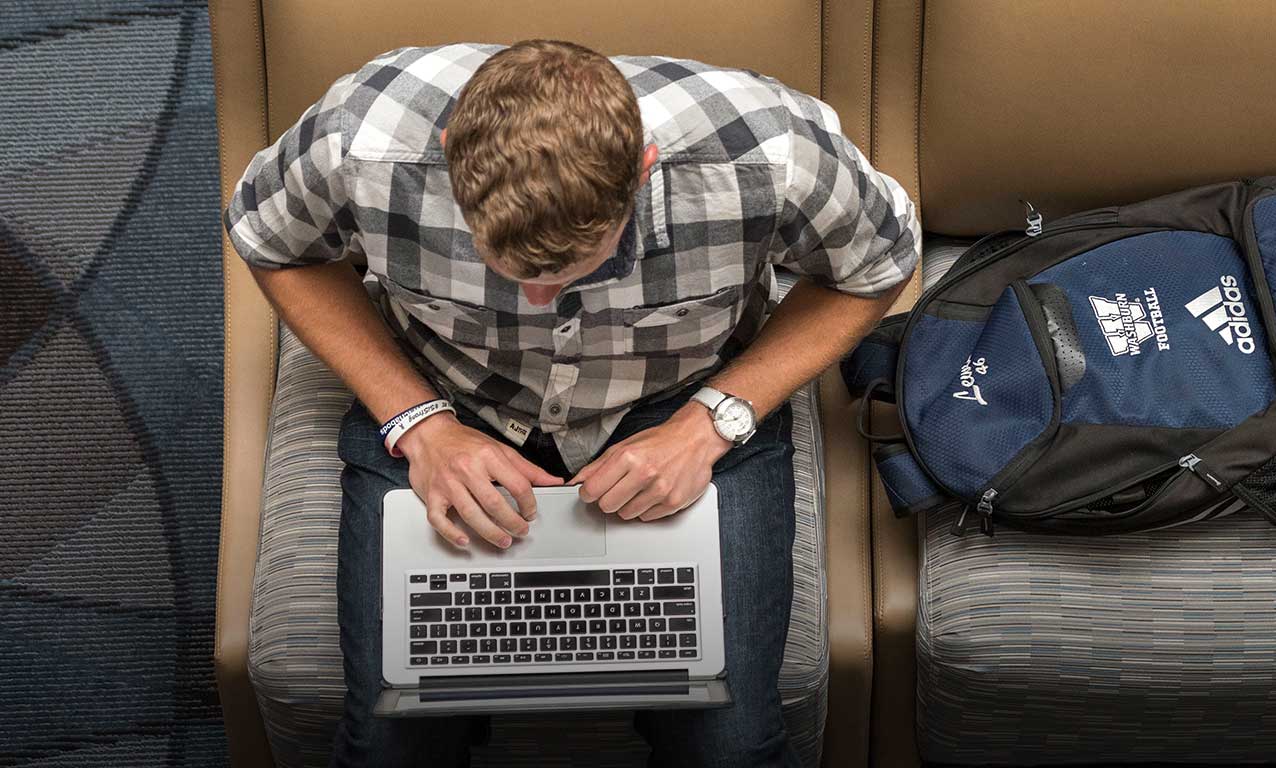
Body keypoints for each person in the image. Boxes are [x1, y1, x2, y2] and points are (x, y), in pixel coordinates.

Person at [224, 39, 918, 767]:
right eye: (510, 269)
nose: (536, 301)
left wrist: (714, 420)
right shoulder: (355, 138)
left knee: (730, 745)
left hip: (683, 399)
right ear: (446, 151)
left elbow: (878, 265)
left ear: (643, 171)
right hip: (446, 394)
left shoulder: (775, 154)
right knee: (393, 741)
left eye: (572, 270)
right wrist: (417, 422)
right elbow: (274, 244)